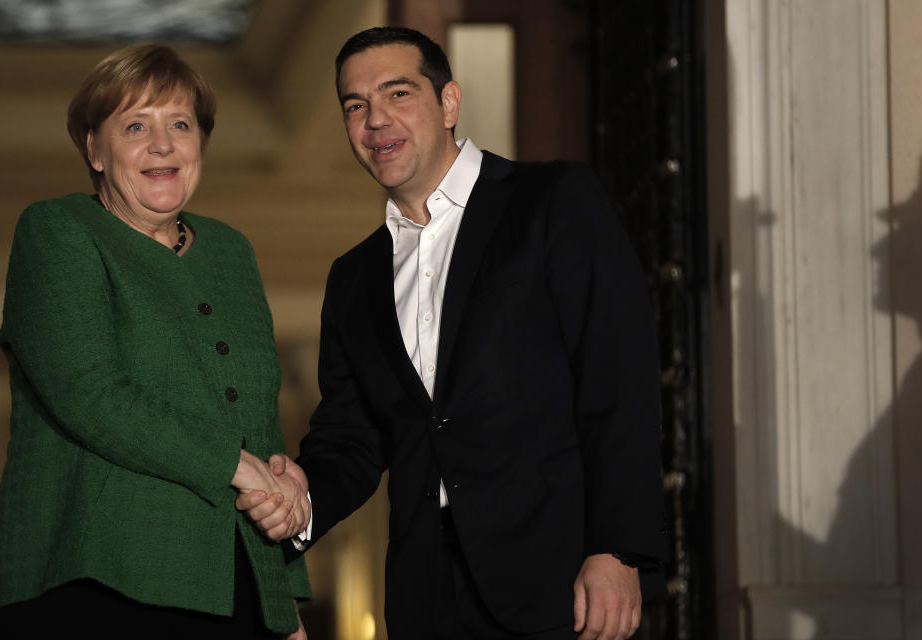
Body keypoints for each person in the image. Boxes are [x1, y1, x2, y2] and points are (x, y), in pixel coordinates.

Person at [241, 26, 665, 640]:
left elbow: (617, 383)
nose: (375, 120)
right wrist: (301, 499)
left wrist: (618, 552)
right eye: (355, 106)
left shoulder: (552, 202)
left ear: (448, 103)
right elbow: (351, 442)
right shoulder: (353, 277)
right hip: (426, 596)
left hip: (561, 583)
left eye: (397, 94)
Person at [0, 44, 311, 640]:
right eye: (136, 125)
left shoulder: (232, 250)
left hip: (232, 586)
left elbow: (256, 417)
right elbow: (90, 392)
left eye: (179, 125)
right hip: (91, 580)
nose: (163, 144)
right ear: (94, 149)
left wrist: (281, 598)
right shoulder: (57, 230)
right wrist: (237, 467)